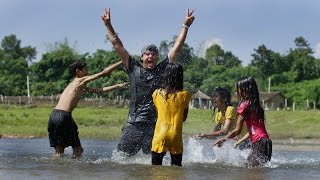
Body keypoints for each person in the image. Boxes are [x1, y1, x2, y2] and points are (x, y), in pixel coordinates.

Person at [101, 8, 195, 156]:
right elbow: (117, 44)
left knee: (152, 162)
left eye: (154, 54)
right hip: (134, 123)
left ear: (157, 57)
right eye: (147, 53)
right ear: (142, 57)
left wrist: (186, 26)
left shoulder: (163, 69)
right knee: (121, 160)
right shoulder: (133, 68)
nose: (150, 56)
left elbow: (176, 48)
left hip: (155, 125)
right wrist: (108, 25)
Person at [48, 60, 129, 158]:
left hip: (53, 116)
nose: (88, 72)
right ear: (78, 71)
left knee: (59, 153)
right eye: (85, 69)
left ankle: (58, 172)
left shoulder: (74, 84)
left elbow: (100, 91)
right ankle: (74, 172)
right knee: (78, 150)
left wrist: (118, 86)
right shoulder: (80, 80)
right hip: (63, 116)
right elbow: (104, 73)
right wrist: (122, 61)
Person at [214, 77, 272, 167]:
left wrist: (224, 139)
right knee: (257, 171)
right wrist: (239, 141)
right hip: (266, 142)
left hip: (259, 143)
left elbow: (238, 130)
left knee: (251, 170)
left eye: (237, 89)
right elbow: (253, 130)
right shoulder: (256, 105)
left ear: (244, 90)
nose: (236, 92)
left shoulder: (244, 105)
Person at [151, 63, 191, 166]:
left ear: (165, 76)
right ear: (180, 76)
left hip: (160, 135)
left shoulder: (156, 93)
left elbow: (157, 113)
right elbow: (184, 118)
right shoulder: (184, 95)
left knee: (155, 169)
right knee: (176, 169)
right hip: (175, 135)